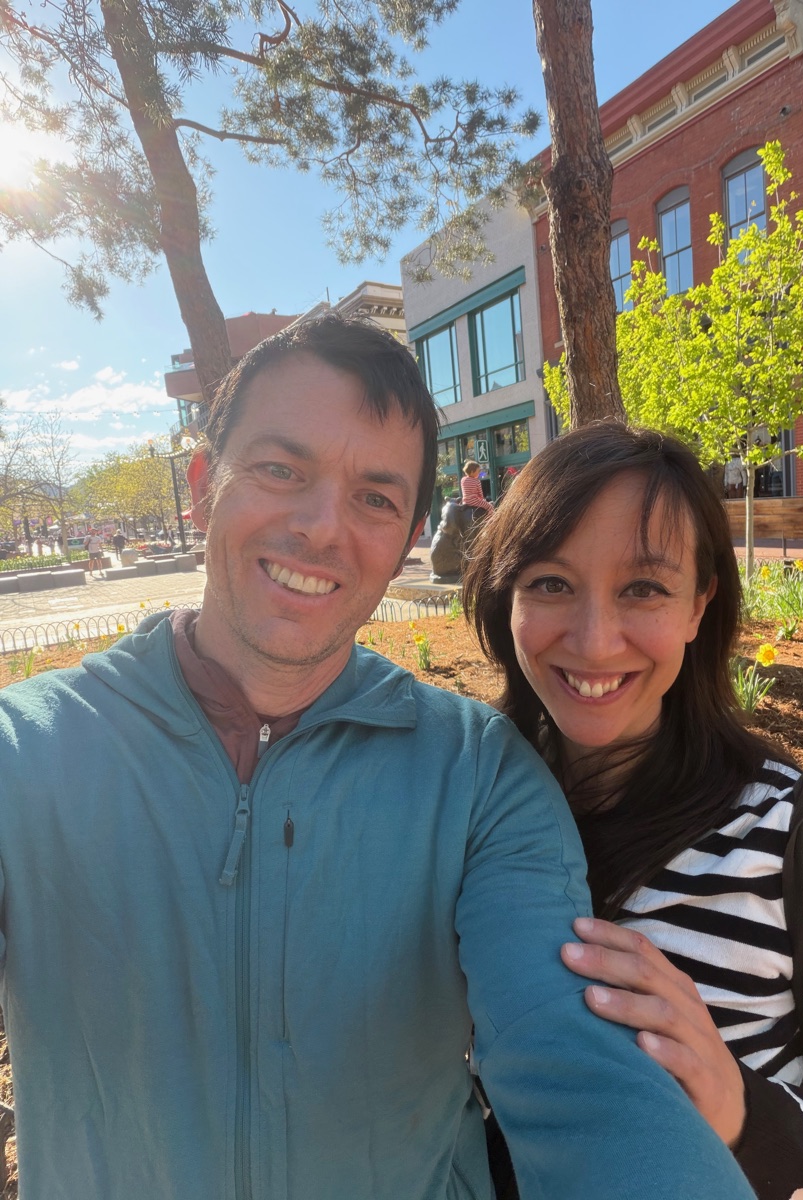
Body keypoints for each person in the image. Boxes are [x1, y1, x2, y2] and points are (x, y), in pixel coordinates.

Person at [0, 319, 755, 1200]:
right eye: (281, 470)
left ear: (407, 540)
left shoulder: (479, 777)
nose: (323, 529)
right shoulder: (28, 753)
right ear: (204, 487)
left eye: (375, 498)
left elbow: (566, 1058)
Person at [464, 419, 803, 1200]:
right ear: (508, 597)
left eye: (644, 589)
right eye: (552, 583)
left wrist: (738, 1112)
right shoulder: (462, 813)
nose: (595, 641)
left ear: (700, 605)